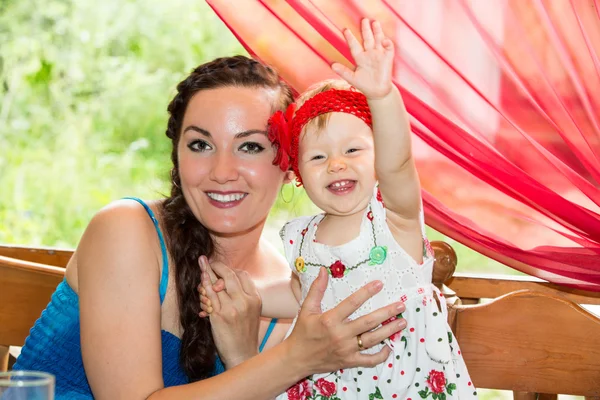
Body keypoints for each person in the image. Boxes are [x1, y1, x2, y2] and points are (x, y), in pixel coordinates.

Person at [12, 55, 406, 399]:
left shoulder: (294, 289)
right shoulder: (127, 231)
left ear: (290, 165)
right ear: (178, 156)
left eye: (249, 146)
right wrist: (294, 358)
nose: (221, 172)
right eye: (200, 145)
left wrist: (243, 359)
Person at [200, 19, 477, 399]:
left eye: (352, 150)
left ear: (377, 155)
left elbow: (398, 164)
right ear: (298, 172)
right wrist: (252, 297)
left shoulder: (393, 217)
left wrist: (382, 97)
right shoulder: (303, 236)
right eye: (317, 156)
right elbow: (302, 292)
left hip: (408, 383)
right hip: (335, 384)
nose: (336, 164)